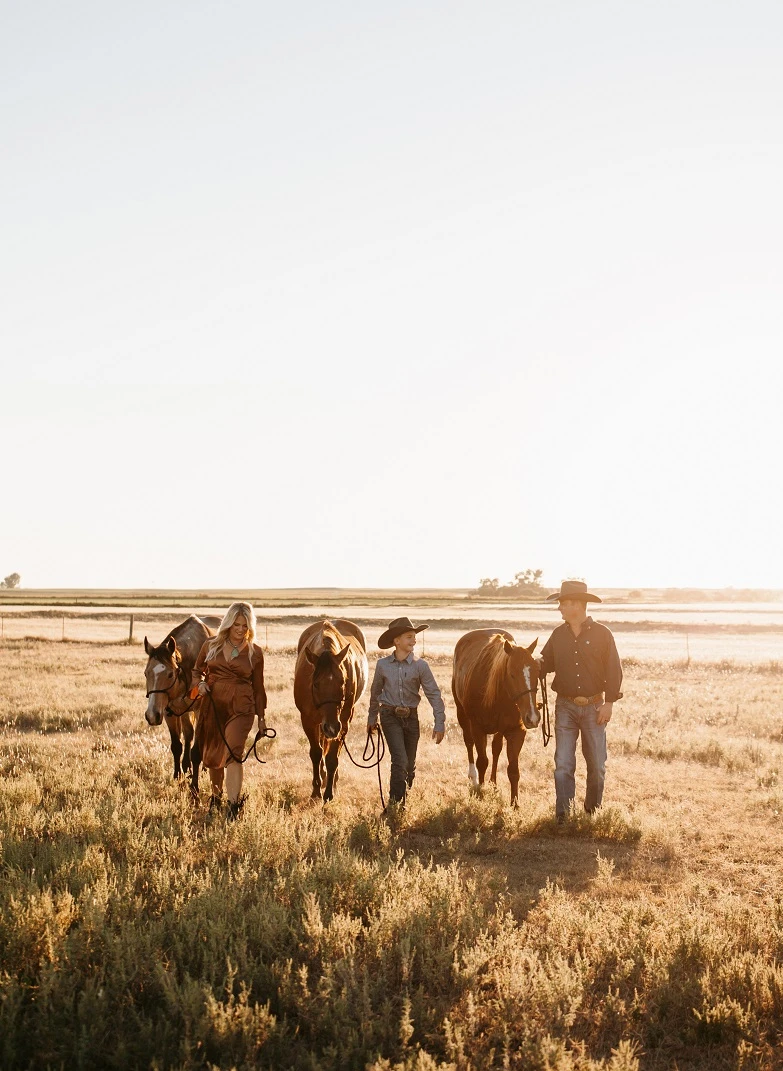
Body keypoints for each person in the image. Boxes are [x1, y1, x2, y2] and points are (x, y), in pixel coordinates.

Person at [538, 580, 623, 824]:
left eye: (564, 604)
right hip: (564, 705)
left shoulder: (603, 634)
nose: (560, 609)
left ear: (578, 605)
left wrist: (609, 703)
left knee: (596, 763)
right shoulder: (558, 634)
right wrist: (532, 663)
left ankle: (592, 812)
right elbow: (546, 663)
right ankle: (564, 815)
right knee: (563, 762)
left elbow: (613, 670)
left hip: (595, 705)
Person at [191, 601, 268, 819]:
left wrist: (261, 718)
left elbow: (259, 688)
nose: (241, 630)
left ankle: (233, 808)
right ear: (228, 623)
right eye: (237, 624)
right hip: (213, 705)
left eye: (245, 625)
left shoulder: (255, 653)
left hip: (241, 707)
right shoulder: (210, 645)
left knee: (234, 752)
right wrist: (200, 685)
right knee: (214, 754)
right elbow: (197, 672)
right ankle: (216, 799)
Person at [367, 616, 446, 806]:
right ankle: (395, 805)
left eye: (414, 637)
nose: (414, 640)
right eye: (409, 637)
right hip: (389, 716)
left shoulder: (421, 666)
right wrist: (372, 718)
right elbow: (375, 692)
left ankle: (404, 797)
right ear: (397, 641)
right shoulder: (382, 665)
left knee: (409, 765)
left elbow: (434, 694)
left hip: (411, 717)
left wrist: (439, 722)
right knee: (399, 760)